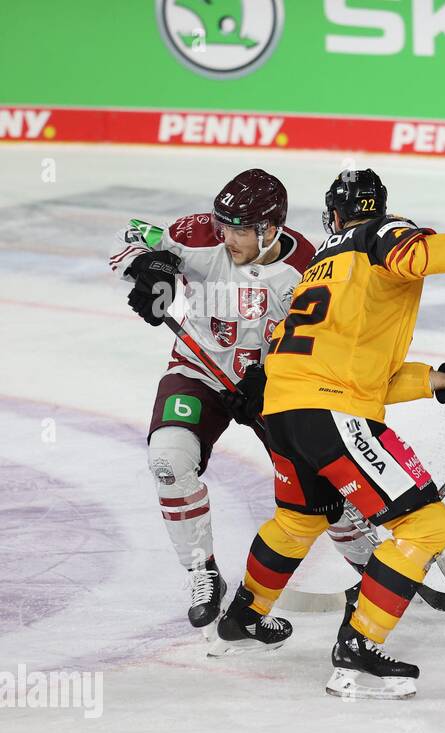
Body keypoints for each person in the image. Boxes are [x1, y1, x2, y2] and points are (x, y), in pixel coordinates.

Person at [213, 168, 445, 700]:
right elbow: (418, 255)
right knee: (427, 525)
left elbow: (365, 374)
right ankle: (357, 653)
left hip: (286, 411)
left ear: (332, 215)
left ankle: (243, 621)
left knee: (296, 522)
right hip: (329, 412)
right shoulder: (378, 234)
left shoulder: (322, 265)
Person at [110, 169, 376, 634]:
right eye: (223, 225)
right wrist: (151, 269)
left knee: (324, 485)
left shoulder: (307, 266)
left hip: (272, 389)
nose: (226, 236)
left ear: (270, 228)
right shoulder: (198, 233)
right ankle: (202, 571)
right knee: (169, 461)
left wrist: (269, 378)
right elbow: (129, 236)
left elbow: (321, 339)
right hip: (197, 371)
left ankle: (377, 573)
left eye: (238, 229)